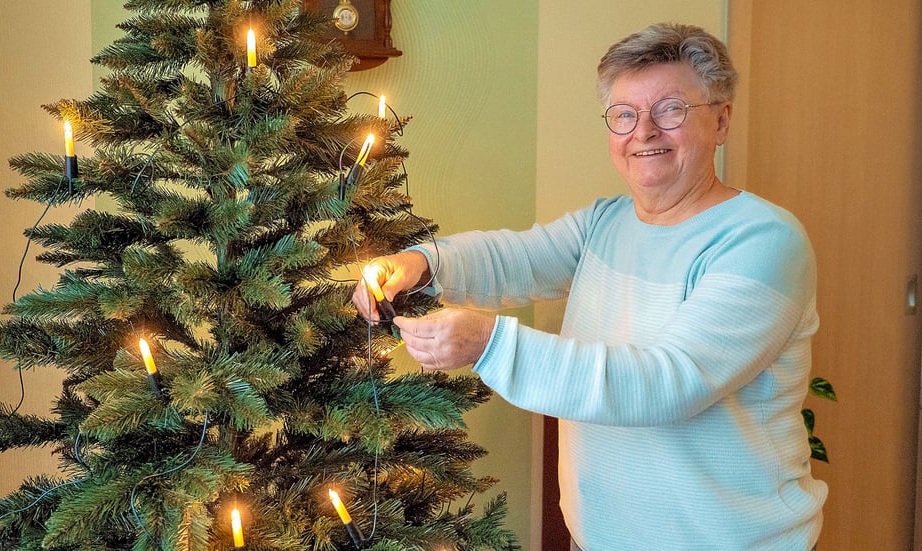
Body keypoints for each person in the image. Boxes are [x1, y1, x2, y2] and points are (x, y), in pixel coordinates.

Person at [353, 22, 826, 551]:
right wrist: (418, 261)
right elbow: (516, 257)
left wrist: (490, 344)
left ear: (721, 121)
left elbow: (667, 383)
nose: (643, 131)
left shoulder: (763, 241)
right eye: (624, 114)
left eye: (670, 109)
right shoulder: (606, 223)